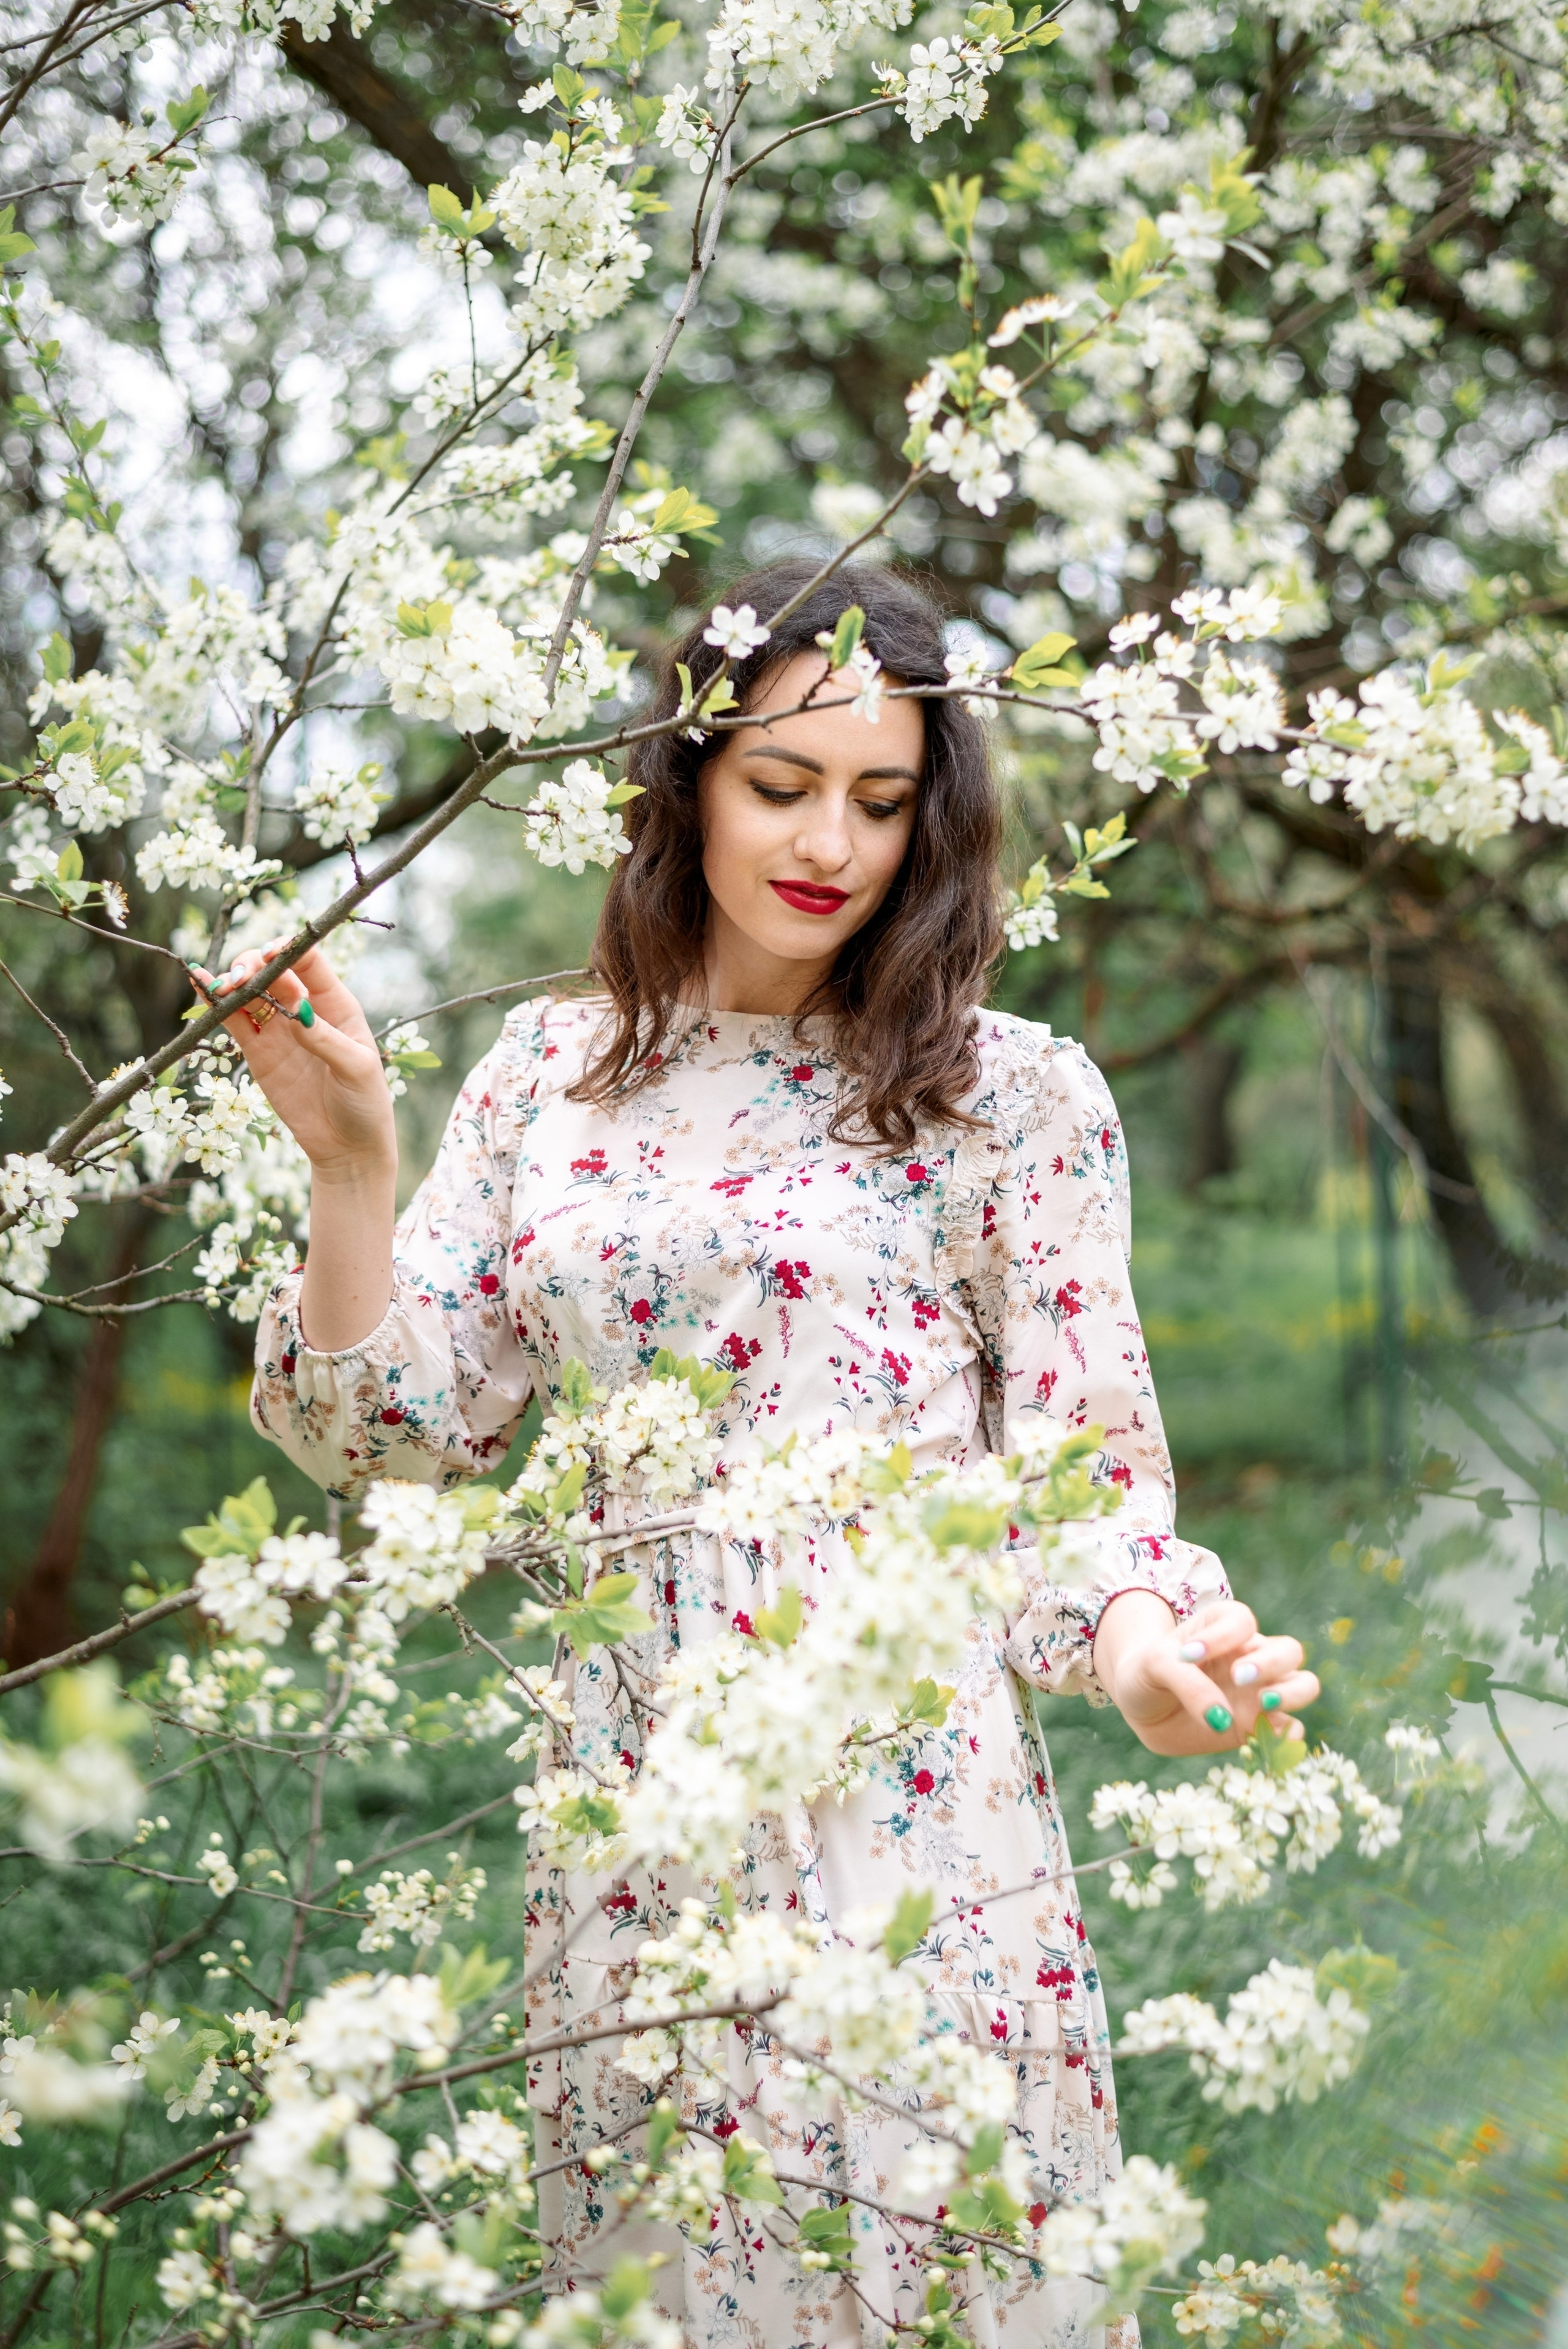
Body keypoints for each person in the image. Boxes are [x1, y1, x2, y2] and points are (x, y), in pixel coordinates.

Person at [205, 559, 1319, 2348]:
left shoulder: (1008, 1093)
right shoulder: (545, 1078)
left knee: (934, 2277)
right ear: (688, 779)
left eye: (883, 800)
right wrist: (352, 1173)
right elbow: (398, 1432)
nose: (833, 842)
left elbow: (1083, 1472)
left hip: (912, 1807)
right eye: (782, 783)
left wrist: (1142, 1644)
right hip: (637, 1803)